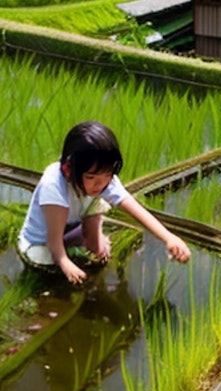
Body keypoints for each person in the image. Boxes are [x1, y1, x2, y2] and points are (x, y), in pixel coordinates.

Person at [17, 120, 191, 284]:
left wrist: (169, 238)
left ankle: (80, 246)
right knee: (52, 268)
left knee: (97, 234)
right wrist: (65, 263)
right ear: (70, 169)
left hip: (70, 228)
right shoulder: (53, 185)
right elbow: (53, 241)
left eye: (107, 175)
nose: (100, 184)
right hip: (41, 243)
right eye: (91, 177)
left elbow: (135, 208)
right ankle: (71, 253)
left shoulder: (102, 178)